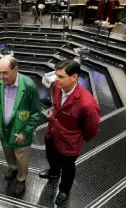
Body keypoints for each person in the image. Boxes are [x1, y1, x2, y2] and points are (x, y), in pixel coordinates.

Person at [39, 60, 100, 206]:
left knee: (68, 167)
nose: (56, 79)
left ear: (74, 77)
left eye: (60, 76)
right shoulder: (57, 86)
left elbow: (92, 129)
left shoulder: (87, 103)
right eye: (56, 75)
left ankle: (64, 189)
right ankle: (54, 172)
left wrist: (78, 138)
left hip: (69, 143)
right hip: (52, 132)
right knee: (51, 155)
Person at [0, 55, 41, 194]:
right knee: (8, 153)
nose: (0, 76)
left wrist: (25, 132)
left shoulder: (29, 86)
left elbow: (36, 112)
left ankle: (21, 178)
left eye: (4, 72)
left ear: (15, 69)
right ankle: (12, 168)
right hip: (3, 129)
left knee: (21, 157)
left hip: (21, 132)